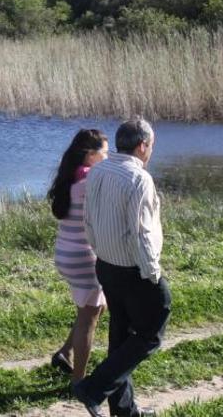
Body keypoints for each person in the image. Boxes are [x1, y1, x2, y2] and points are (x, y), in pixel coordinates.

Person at [71, 119, 170, 417]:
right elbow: (142, 232)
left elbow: (88, 218)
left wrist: (100, 249)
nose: (151, 151)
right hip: (133, 270)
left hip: (106, 264)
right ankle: (93, 388)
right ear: (142, 146)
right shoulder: (140, 179)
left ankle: (123, 409)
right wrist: (152, 273)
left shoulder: (99, 169)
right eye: (151, 145)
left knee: (122, 334)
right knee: (151, 333)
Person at [46, 129, 109, 382]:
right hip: (85, 257)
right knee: (89, 317)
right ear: (91, 155)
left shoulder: (70, 178)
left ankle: (64, 353)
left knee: (94, 308)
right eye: (104, 153)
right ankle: (79, 381)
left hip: (66, 252)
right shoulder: (91, 182)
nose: (107, 158)